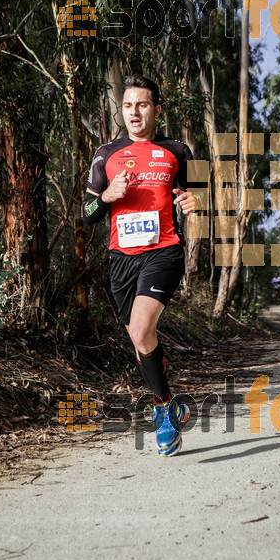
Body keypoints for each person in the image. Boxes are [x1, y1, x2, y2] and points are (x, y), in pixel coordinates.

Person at [81, 74, 199, 457]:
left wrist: (197, 202)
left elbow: (199, 192)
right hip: (120, 258)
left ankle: (163, 411)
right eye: (128, 105)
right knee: (138, 338)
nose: (134, 112)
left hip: (163, 250)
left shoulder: (176, 151)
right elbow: (86, 212)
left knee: (144, 327)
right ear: (122, 110)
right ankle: (170, 402)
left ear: (156, 109)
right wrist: (107, 197)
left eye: (143, 105)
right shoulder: (106, 154)